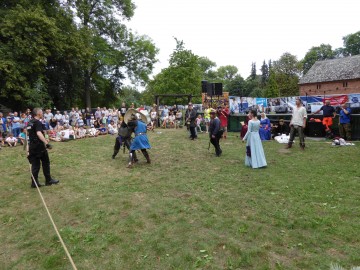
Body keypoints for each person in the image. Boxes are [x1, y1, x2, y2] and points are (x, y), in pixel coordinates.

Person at [27, 108, 59, 188]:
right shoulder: (37, 122)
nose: (42, 113)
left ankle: (34, 183)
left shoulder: (30, 122)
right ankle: (48, 180)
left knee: (35, 165)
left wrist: (27, 147)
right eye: (41, 112)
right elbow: (38, 133)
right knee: (45, 162)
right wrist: (46, 143)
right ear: (38, 113)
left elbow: (27, 133)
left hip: (32, 146)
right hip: (39, 146)